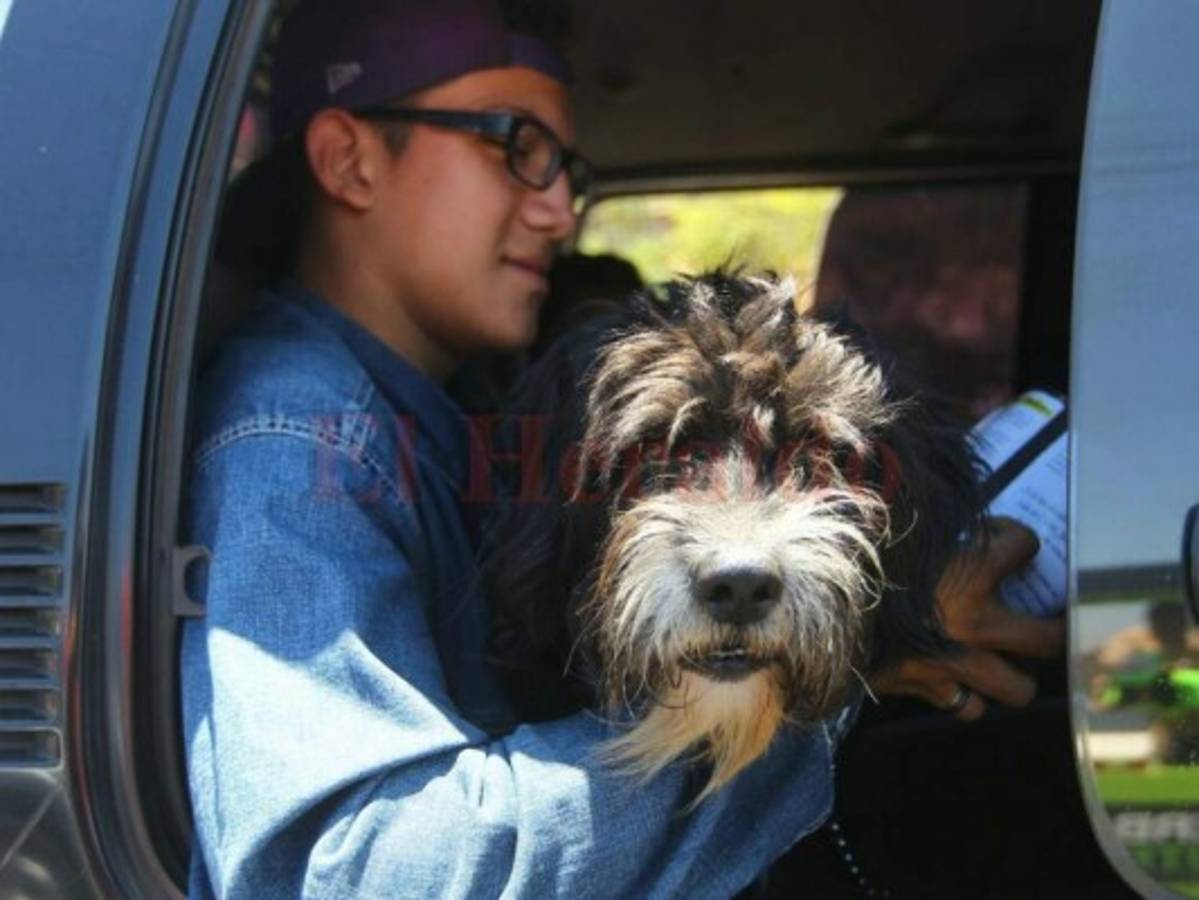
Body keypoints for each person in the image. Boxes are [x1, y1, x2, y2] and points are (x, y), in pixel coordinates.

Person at [181, 2, 1059, 897]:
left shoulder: (442, 409)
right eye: (514, 145)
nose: (561, 211)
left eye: (568, 170)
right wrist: (847, 673)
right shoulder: (297, 441)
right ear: (348, 160)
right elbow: (343, 874)